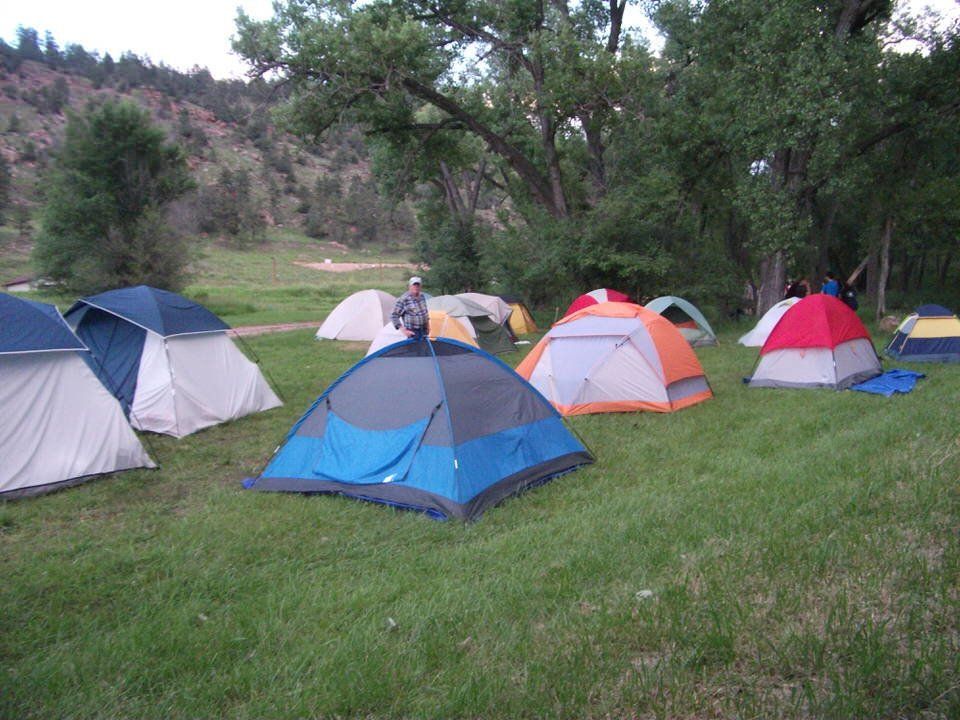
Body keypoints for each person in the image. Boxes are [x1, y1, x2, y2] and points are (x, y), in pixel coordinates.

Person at [391, 276, 430, 340]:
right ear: (410, 286)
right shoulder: (404, 299)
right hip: (413, 332)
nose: (416, 287)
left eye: (418, 285)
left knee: (424, 349)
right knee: (414, 350)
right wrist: (404, 331)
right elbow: (394, 316)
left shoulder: (422, 297)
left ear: (420, 287)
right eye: (414, 285)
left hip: (424, 331)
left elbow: (425, 312)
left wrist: (428, 326)